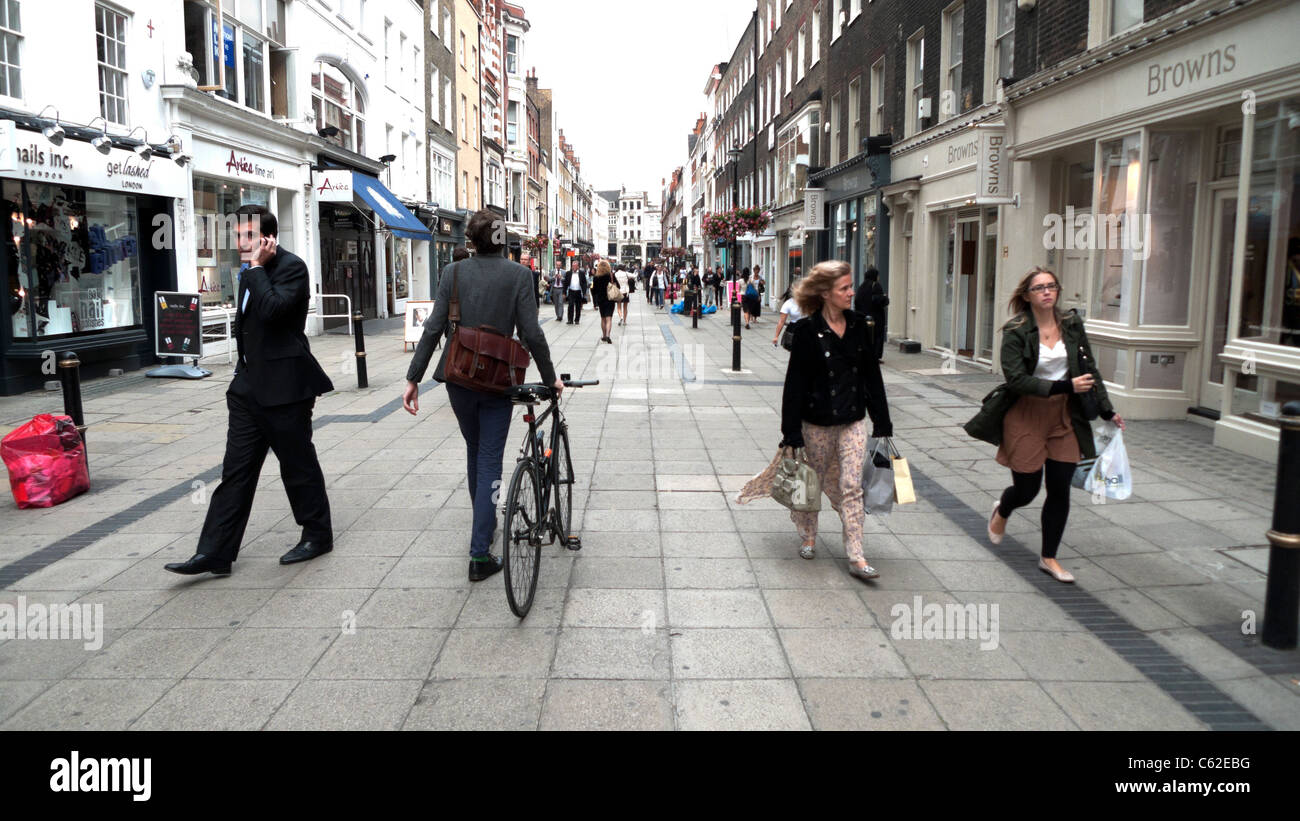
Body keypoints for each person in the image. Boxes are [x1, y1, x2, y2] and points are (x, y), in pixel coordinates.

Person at [165, 205, 335, 577]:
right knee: (236, 473)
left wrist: (258, 268)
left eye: (246, 235)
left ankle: (317, 534)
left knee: (297, 465)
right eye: (236, 234)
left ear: (267, 238)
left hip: (286, 388)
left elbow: (274, 312)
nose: (239, 242)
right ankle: (215, 552)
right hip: (247, 390)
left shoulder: (291, 268)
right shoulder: (248, 274)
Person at [402, 210, 561, 581]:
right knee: (489, 457)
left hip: (459, 377)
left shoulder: (452, 273)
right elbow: (532, 334)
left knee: (475, 451)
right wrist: (551, 378)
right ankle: (479, 555)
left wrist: (414, 378)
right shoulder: (519, 275)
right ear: (503, 240)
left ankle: (484, 529)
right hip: (498, 381)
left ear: (470, 241)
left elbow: (432, 328)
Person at [986, 267, 1124, 584]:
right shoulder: (1016, 330)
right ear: (1027, 295)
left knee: (1060, 488)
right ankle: (1004, 509)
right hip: (1026, 414)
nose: (1047, 292)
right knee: (1027, 489)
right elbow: (1016, 380)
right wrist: (1065, 387)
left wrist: (1107, 411)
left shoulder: (1072, 325)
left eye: (1052, 286)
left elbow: (1089, 369)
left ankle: (1049, 557)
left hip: (1065, 417)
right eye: (1039, 288)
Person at [776, 260, 892, 581]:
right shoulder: (806, 332)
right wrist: (791, 432)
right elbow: (794, 384)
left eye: (850, 286)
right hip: (816, 423)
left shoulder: (859, 326)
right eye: (845, 288)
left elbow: (871, 375)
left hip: (853, 420)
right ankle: (809, 534)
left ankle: (856, 553)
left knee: (851, 485)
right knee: (811, 481)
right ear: (826, 293)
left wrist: (881, 419)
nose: (852, 292)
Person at [854, 267, 889, 363]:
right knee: (876, 337)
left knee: (866, 337)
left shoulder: (861, 287)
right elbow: (880, 301)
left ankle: (866, 356)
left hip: (863, 316)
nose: (878, 277)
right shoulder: (876, 285)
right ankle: (875, 357)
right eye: (878, 275)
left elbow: (857, 301)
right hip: (876, 317)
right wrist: (885, 298)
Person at [591, 259, 616, 343]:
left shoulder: (596, 277)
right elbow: (617, 286)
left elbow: (594, 291)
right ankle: (608, 335)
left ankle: (604, 335)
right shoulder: (611, 275)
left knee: (603, 318)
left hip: (601, 300)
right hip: (610, 299)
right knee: (609, 318)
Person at [565, 258, 587, 325]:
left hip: (578, 291)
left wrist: (584, 291)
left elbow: (584, 283)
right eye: (572, 266)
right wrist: (564, 292)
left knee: (578, 306)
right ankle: (570, 320)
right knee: (570, 305)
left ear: (578, 266)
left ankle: (577, 320)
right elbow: (565, 283)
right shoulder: (568, 273)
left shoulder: (581, 273)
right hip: (571, 291)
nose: (573, 267)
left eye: (575, 266)